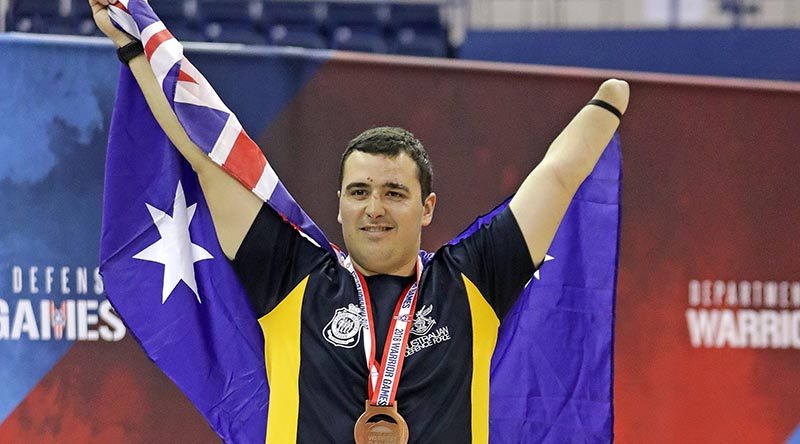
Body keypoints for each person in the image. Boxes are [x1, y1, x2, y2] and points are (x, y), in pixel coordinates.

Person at [90, 1, 629, 442]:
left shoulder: (470, 281)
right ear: (340, 205)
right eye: (360, 192)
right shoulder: (292, 276)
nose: (375, 207)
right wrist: (137, 49)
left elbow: (557, 177)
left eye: (395, 192)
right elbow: (207, 159)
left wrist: (608, 105)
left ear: (427, 208)